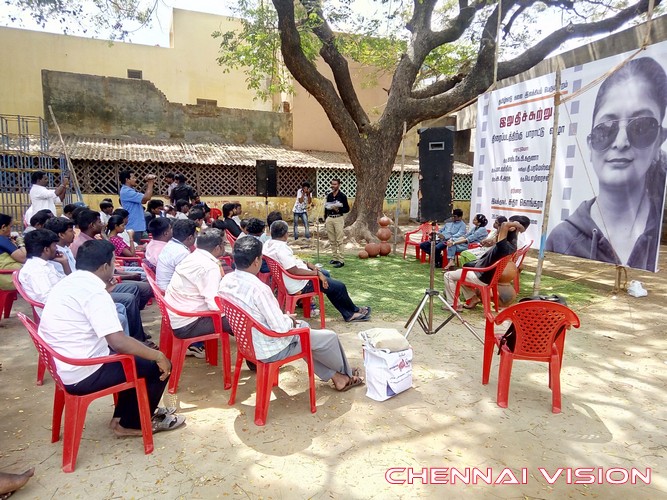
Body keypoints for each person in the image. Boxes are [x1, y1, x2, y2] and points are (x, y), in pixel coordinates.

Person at [37, 240, 185, 437]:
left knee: (139, 353)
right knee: (156, 365)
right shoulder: (94, 292)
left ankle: (123, 417)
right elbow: (118, 342)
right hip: (83, 372)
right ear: (106, 266)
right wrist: (158, 356)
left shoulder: (70, 281)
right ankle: (132, 424)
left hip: (66, 364)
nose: (115, 266)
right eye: (114, 262)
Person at [546, 57, 667, 272]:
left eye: (640, 126)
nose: (621, 143)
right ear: (590, 144)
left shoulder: (660, 230)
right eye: (606, 129)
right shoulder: (561, 238)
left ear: (659, 140)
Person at [220, 236, 363, 391]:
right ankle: (345, 374)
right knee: (329, 337)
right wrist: (289, 320)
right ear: (256, 261)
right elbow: (281, 328)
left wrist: (287, 320)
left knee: (307, 333)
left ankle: (337, 376)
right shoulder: (258, 289)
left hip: (248, 343)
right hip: (269, 348)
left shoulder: (226, 281)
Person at [44, 217, 150, 343]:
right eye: (70, 231)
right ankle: (136, 339)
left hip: (93, 282)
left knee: (132, 294)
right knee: (129, 298)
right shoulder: (62, 255)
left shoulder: (65, 251)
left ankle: (135, 336)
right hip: (89, 287)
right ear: (61, 235)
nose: (74, 233)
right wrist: (106, 286)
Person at [264, 221, 371, 322]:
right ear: (285, 234)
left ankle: (348, 307)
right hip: (299, 284)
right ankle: (351, 313)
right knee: (340, 287)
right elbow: (293, 270)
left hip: (288, 281)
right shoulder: (281, 248)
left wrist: (307, 264)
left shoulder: (269, 244)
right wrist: (316, 273)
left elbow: (290, 263)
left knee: (326, 275)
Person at [444, 216, 530, 310]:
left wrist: (516, 225)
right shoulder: (512, 245)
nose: (500, 228)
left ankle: (453, 304)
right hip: (487, 276)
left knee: (448, 276)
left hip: (481, 277)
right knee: (462, 271)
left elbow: (505, 225)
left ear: (511, 228)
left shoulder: (503, 246)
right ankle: (473, 298)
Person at [165, 229, 231, 339]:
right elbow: (214, 304)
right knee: (242, 320)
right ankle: (256, 351)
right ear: (218, 248)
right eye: (224, 244)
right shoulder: (209, 267)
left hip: (179, 315)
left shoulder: (193, 256)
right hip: (188, 325)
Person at [156, 219, 197, 291]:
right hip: (169, 289)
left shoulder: (171, 244)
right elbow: (189, 277)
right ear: (190, 238)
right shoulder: (183, 253)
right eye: (195, 234)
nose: (196, 236)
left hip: (163, 285)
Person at [119, 170, 156, 243]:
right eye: (133, 177)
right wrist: (150, 182)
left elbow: (144, 201)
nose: (136, 179)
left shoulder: (130, 190)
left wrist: (149, 183)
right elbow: (147, 198)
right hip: (133, 226)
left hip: (138, 226)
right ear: (127, 180)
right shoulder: (126, 191)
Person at [324, 179, 349, 268]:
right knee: (332, 239)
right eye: (332, 184)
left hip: (338, 218)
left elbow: (347, 209)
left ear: (339, 185)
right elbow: (326, 207)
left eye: (335, 184)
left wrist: (338, 209)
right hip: (330, 218)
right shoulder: (329, 195)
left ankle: (341, 260)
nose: (333, 186)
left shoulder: (342, 196)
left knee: (339, 240)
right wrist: (325, 219)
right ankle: (335, 258)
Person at [0, 213, 26, 288]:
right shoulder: (2, 240)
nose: (11, 230)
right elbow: (23, 258)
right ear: (3, 227)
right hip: (7, 279)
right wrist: (20, 242)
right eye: (10, 227)